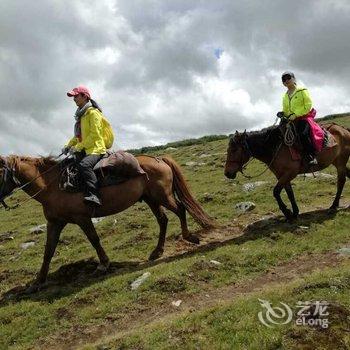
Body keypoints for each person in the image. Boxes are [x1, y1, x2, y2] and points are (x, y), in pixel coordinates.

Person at [62, 85, 114, 206]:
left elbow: (95, 135)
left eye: (76, 96)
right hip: (87, 149)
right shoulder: (81, 115)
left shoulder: (93, 113)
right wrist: (68, 146)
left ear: (85, 97)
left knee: (84, 165)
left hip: (96, 149)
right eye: (73, 96)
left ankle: (95, 195)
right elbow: (78, 136)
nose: (74, 99)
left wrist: (78, 147)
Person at [277, 71, 318, 165]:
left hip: (303, 117)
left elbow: (308, 105)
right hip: (290, 119)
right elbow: (286, 110)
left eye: (288, 78)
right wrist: (283, 113)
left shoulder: (302, 90)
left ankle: (311, 155)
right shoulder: (285, 96)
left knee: (302, 133)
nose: (286, 80)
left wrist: (296, 114)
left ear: (294, 79)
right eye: (284, 79)